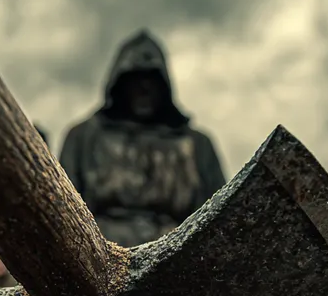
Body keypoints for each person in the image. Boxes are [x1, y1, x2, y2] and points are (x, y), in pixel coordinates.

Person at [58, 29, 226, 247]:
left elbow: (219, 219)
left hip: (178, 254)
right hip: (100, 251)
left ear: (163, 85)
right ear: (120, 82)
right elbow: (63, 212)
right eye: (136, 79)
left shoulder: (197, 144)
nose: (144, 89)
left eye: (151, 79)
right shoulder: (83, 138)